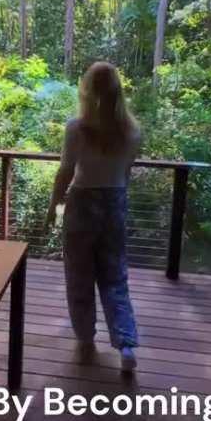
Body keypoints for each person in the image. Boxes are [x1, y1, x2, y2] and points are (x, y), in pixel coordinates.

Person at [45, 61, 140, 372]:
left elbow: (65, 172)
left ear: (86, 89)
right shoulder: (132, 131)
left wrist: (53, 206)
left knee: (79, 275)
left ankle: (85, 338)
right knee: (115, 278)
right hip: (115, 203)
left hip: (83, 203)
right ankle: (126, 346)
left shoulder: (77, 128)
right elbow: (125, 174)